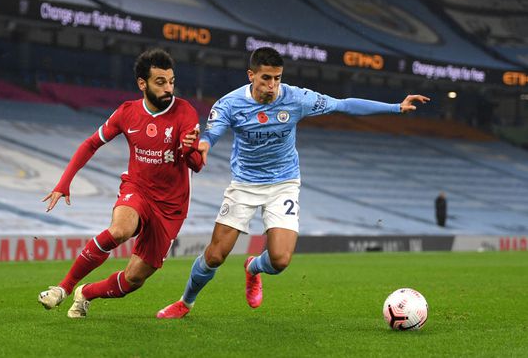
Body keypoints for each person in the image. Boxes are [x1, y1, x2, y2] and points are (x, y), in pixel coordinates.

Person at [156, 47, 429, 318]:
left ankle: (253, 268)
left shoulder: (297, 98)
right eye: (266, 78)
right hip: (244, 184)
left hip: (283, 183)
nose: (272, 85)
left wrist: (396, 107)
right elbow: (212, 132)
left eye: (277, 78)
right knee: (215, 255)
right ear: (251, 75)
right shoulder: (230, 103)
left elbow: (343, 104)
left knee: (280, 260)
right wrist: (204, 145)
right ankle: (185, 303)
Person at [38, 48, 203, 318]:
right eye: (160, 82)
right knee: (119, 230)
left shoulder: (185, 112)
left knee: (133, 279)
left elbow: (197, 164)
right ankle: (63, 288)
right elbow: (91, 143)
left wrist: (188, 150)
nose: (168, 88)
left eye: (171, 81)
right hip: (137, 189)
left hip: (171, 207)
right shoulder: (127, 112)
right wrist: (64, 183)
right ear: (143, 83)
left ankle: (86, 293)